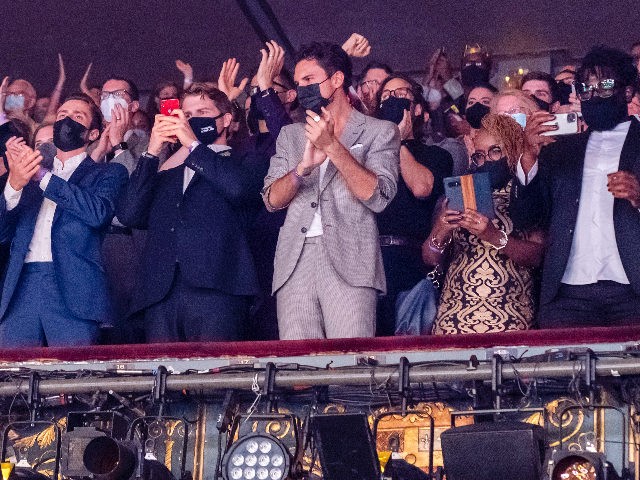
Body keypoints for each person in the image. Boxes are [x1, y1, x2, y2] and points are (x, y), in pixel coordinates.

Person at [263, 41, 399, 340]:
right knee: (298, 371)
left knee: (350, 366)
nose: (301, 89)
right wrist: (302, 169)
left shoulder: (380, 131)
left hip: (351, 258)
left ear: (337, 80)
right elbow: (271, 200)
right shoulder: (291, 134)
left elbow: (379, 196)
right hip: (294, 260)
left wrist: (332, 147)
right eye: (298, 83)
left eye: (309, 80)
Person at [118, 83, 260, 343]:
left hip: (218, 288)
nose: (192, 120)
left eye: (202, 112)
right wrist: (152, 152)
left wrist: (194, 146)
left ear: (226, 119)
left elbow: (239, 190)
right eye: (188, 115)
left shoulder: (244, 159)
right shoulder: (166, 171)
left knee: (214, 379)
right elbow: (129, 214)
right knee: (164, 380)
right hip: (161, 293)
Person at [510, 46, 640, 328]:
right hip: (567, 295)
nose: (593, 94)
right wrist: (529, 157)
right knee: (560, 372)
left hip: (633, 292)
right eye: (585, 88)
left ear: (628, 92)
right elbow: (527, 218)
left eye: (604, 86)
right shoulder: (561, 150)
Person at [0, 95, 128, 347]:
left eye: (77, 116)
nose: (67, 120)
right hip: (21, 285)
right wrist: (13, 186)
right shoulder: (26, 172)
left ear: (92, 134)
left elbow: (98, 213)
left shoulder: (106, 172)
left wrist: (43, 177)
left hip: (74, 289)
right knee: (12, 377)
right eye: (62, 115)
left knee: (74, 377)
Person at [423, 114, 544, 334]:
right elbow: (430, 259)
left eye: (495, 151)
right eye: (479, 155)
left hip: (511, 320)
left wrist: (493, 235)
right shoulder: (458, 193)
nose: (486, 160)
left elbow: (537, 255)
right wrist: (441, 229)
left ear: (513, 150)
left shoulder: (526, 193)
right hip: (454, 321)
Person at [375, 73, 453, 335]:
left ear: (417, 109)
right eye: (385, 96)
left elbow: (422, 188)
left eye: (401, 95)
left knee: (407, 358)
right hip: (368, 263)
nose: (392, 100)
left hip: (410, 264)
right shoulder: (367, 154)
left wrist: (395, 140)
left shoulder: (436, 154)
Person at [241, 40, 296, 341]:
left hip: (283, 250)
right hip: (246, 256)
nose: (259, 95)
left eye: (268, 86)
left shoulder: (297, 132)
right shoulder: (242, 146)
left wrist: (265, 89)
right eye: (253, 90)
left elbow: (288, 138)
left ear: (290, 96)